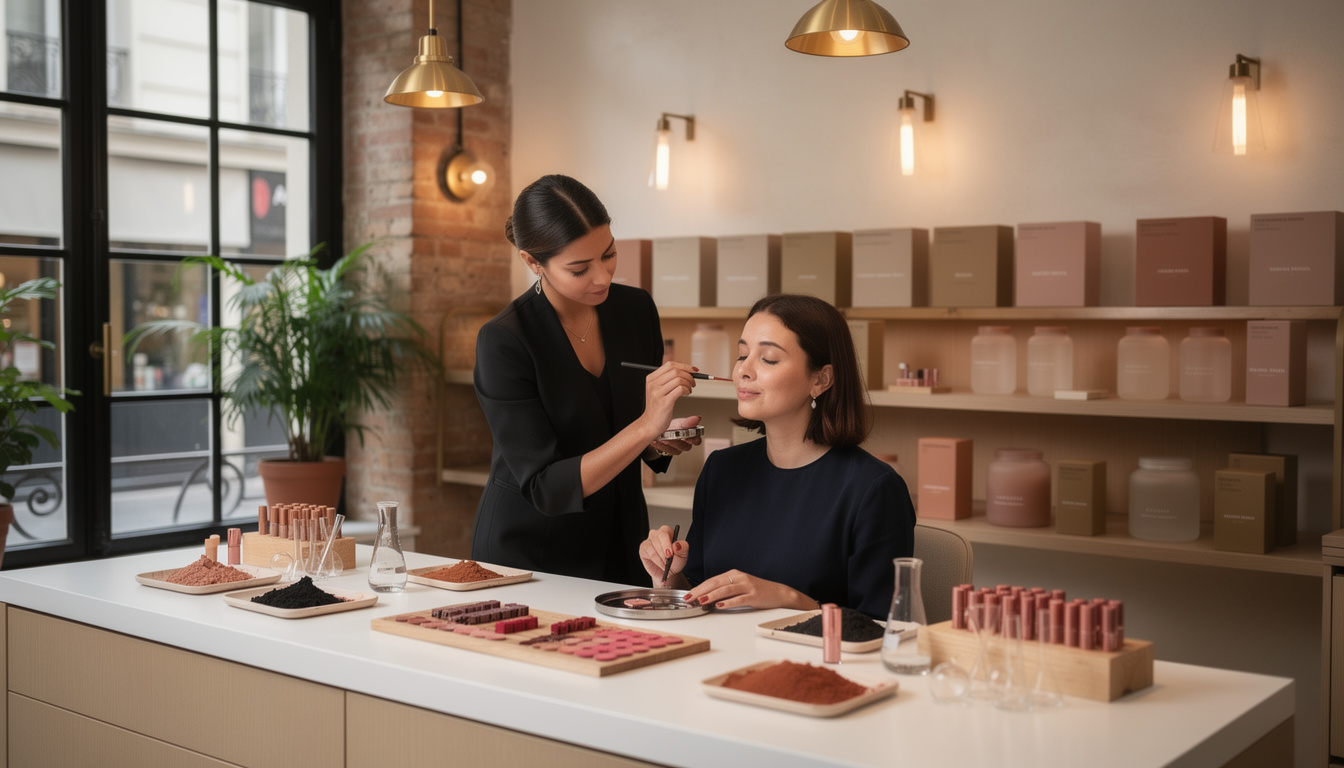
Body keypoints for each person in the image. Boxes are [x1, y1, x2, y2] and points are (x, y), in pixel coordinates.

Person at [472, 174, 700, 584]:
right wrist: (646, 426)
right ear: (533, 262)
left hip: (622, 540)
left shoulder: (636, 310)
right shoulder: (505, 341)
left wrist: (657, 438)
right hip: (532, 553)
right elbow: (544, 485)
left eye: (609, 255)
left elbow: (624, 427)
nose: (603, 277)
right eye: (580, 269)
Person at [639, 293, 915, 618]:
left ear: (821, 379)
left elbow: (881, 628)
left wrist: (788, 598)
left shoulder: (873, 489)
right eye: (742, 355)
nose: (743, 370)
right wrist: (670, 577)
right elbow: (702, 596)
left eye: (768, 359)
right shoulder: (721, 470)